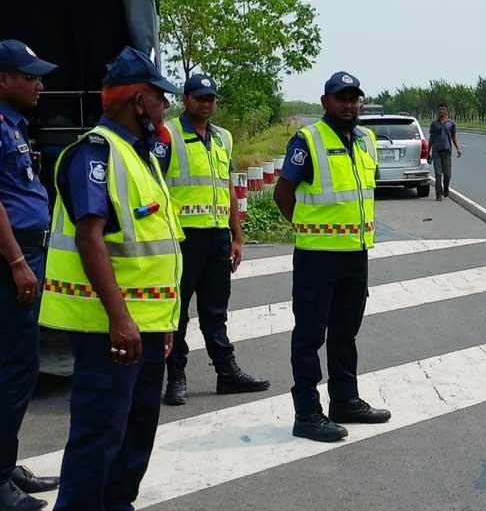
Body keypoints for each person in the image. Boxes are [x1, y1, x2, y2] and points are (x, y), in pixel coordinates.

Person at [39, 47, 184, 510]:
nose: (166, 107)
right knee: (99, 438)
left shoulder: (140, 155)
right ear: (139, 101)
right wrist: (121, 319)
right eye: (160, 98)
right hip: (110, 331)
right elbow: (89, 239)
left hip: (146, 326)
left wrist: (160, 325)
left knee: (135, 436)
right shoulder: (94, 154)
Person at [274, 71, 391, 443]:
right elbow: (283, 193)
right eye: (342, 98)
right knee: (309, 336)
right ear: (325, 102)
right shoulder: (307, 140)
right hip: (317, 258)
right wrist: (307, 228)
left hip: (355, 255)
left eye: (355, 98)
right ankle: (307, 413)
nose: (349, 105)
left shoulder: (366, 140)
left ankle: (345, 400)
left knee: (345, 333)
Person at [158, 73, 269, 406]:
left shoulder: (223, 139)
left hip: (218, 237)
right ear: (185, 100)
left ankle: (226, 372)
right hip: (181, 239)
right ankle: (176, 377)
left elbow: (228, 190)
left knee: (215, 311)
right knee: (176, 313)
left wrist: (237, 236)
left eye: (210, 99)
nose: (206, 104)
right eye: (199, 98)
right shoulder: (167, 136)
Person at [0, 39, 59, 511]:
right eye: (30, 76)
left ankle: (7, 464)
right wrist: (18, 262)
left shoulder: (14, 126)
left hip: (25, 256)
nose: (39, 84)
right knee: (13, 370)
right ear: (3, 78)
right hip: (9, 263)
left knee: (20, 368)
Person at [427, 102, 461, 201]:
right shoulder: (434, 124)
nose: (441, 111)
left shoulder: (451, 123)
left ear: (446, 111)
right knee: (438, 174)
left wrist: (458, 148)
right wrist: (428, 152)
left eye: (443, 109)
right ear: (438, 111)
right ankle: (438, 194)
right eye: (440, 109)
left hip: (447, 152)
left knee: (447, 175)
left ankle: (446, 188)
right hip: (436, 152)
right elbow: (431, 139)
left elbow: (453, 137)